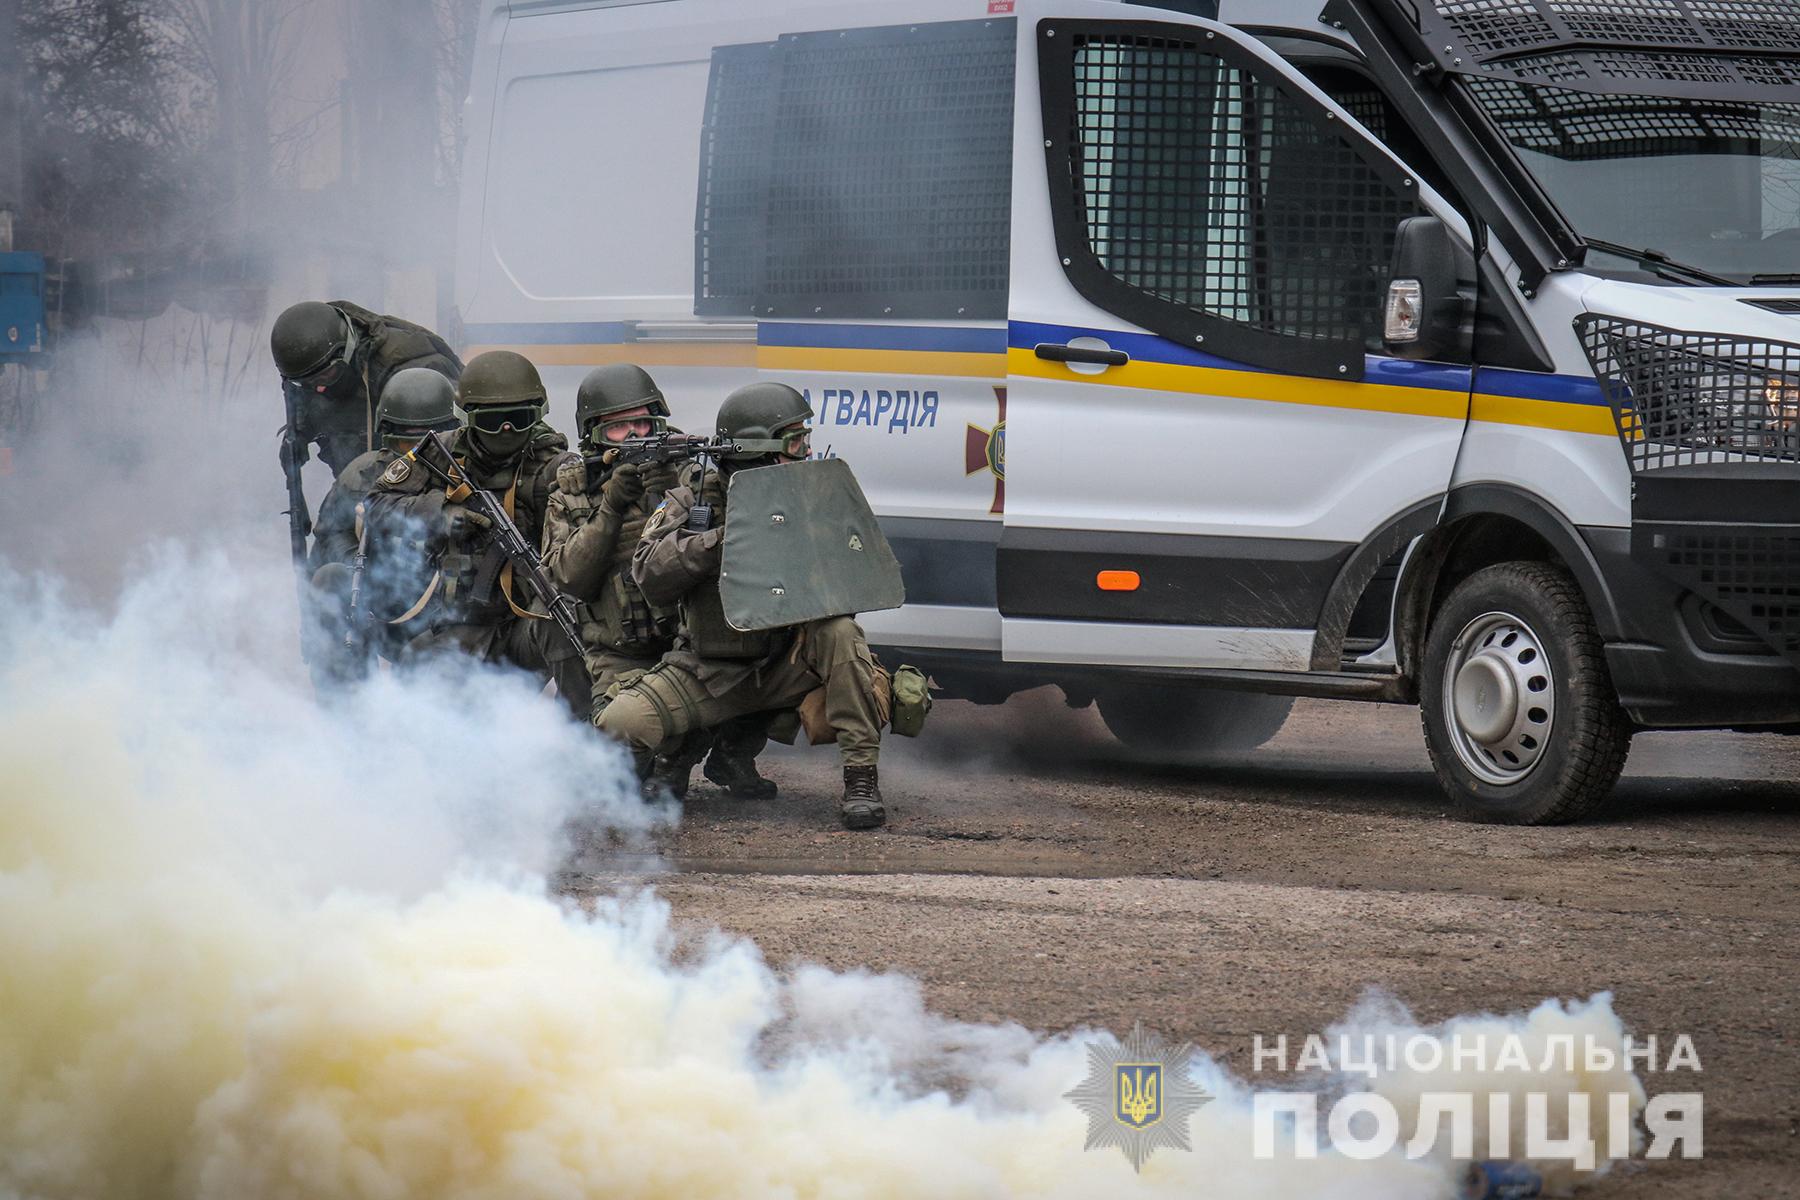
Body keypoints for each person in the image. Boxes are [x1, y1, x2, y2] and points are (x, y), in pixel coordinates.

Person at [597, 383, 889, 829]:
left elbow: (851, 579)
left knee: (841, 635)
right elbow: (649, 573)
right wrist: (719, 542)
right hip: (707, 668)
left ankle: (861, 778)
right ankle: (647, 777)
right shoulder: (692, 499)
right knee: (620, 721)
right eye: (795, 442)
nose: (805, 452)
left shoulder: (811, 496)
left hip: (787, 660)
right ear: (761, 449)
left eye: (804, 440)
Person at [540, 364, 775, 799]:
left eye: (643, 423)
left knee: (761, 666)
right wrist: (611, 506)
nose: (633, 436)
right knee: (619, 779)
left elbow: (739, 542)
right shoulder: (572, 496)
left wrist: (671, 497)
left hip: (688, 650)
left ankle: (727, 754)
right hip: (620, 653)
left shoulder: (692, 475)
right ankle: (666, 756)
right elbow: (569, 578)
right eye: (618, 428)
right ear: (594, 434)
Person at [363, 350, 589, 718]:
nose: (507, 431)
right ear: (467, 417)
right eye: (493, 420)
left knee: (565, 624)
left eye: (519, 420)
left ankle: (583, 746)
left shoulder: (554, 466)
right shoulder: (441, 453)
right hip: (461, 627)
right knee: (421, 702)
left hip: (529, 630)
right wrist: (440, 512)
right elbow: (377, 505)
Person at [303, 368, 462, 687]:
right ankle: (346, 710)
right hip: (380, 606)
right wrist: (361, 568)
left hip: (445, 621)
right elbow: (328, 537)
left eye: (428, 442)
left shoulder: (465, 480)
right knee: (329, 580)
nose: (415, 454)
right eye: (405, 440)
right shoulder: (362, 475)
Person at [271, 300, 462, 478]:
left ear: (346, 352)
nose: (319, 388)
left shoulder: (410, 366)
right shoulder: (311, 371)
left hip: (425, 486)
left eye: (326, 376)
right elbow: (311, 405)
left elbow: (450, 443)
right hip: (360, 489)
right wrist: (299, 434)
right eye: (307, 383)